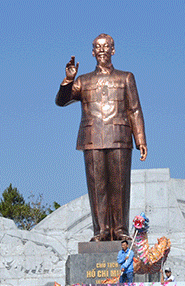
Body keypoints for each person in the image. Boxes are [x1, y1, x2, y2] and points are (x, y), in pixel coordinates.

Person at [56, 33, 147, 242]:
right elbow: (61, 101)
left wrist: (140, 140)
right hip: (92, 138)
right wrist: (69, 80)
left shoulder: (125, 77)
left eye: (107, 46)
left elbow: (134, 110)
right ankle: (102, 231)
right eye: (98, 47)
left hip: (120, 137)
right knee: (97, 187)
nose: (102, 50)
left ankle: (121, 230)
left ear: (113, 50)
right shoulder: (83, 80)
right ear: (93, 52)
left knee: (120, 186)